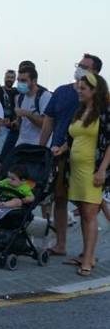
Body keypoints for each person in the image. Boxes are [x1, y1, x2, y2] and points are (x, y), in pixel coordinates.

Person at [40, 54, 103, 258]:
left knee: (87, 208)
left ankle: (88, 254)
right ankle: (61, 244)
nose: (80, 69)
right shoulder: (62, 92)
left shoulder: (101, 99)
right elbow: (49, 120)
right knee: (59, 198)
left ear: (95, 73)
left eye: (85, 67)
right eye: (79, 65)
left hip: (88, 160)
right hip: (60, 153)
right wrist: (42, 147)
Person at [51, 72, 110, 277]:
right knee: (84, 213)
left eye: (83, 88)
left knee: (89, 214)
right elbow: (74, 138)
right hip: (75, 170)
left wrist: (102, 170)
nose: (79, 90)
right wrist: (62, 149)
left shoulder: (104, 112)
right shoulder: (80, 111)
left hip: (93, 170)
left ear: (94, 91)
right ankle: (87, 254)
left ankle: (88, 259)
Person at [13, 66, 52, 147]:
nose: (20, 83)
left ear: (34, 81)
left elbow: (45, 124)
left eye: (23, 80)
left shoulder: (44, 96)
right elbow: (20, 124)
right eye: (18, 80)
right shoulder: (19, 98)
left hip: (37, 145)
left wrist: (27, 114)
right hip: (21, 144)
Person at [0, 69, 18, 153]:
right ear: (4, 78)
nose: (9, 79)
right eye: (8, 77)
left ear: (15, 79)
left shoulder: (17, 91)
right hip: (1, 126)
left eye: (12, 77)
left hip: (13, 127)